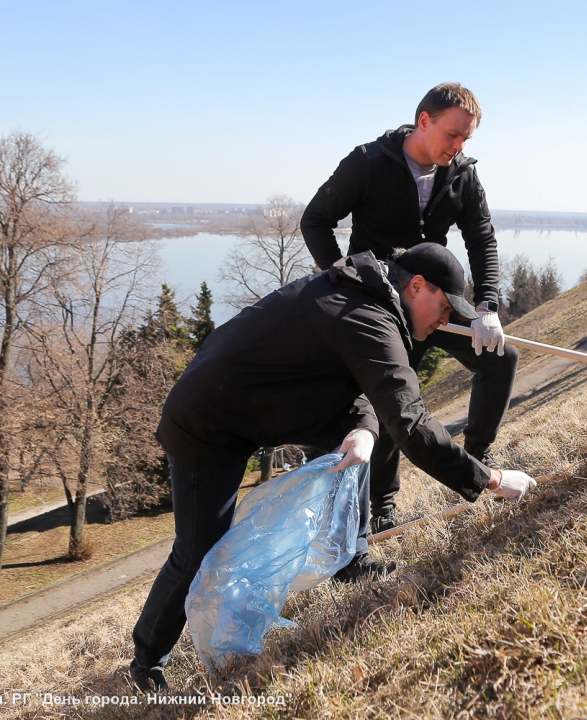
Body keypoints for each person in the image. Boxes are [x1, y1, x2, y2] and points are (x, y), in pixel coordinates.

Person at [129, 243, 537, 692]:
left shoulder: (368, 295)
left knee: (358, 441)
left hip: (266, 404)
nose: (445, 321)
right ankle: (147, 661)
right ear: (417, 285)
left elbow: (356, 379)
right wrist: (491, 480)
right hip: (206, 420)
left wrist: (363, 426)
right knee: (199, 549)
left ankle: (351, 560)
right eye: (443, 308)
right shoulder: (367, 314)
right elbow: (411, 425)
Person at [301, 83, 519, 534]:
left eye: (466, 140)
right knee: (387, 403)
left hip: (430, 300)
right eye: (453, 135)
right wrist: (342, 277)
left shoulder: (461, 173)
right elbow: (315, 220)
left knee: (501, 356)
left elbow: (482, 239)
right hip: (377, 306)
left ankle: (478, 455)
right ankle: (382, 505)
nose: (458, 147)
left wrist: (487, 306)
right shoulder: (368, 162)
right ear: (424, 120)